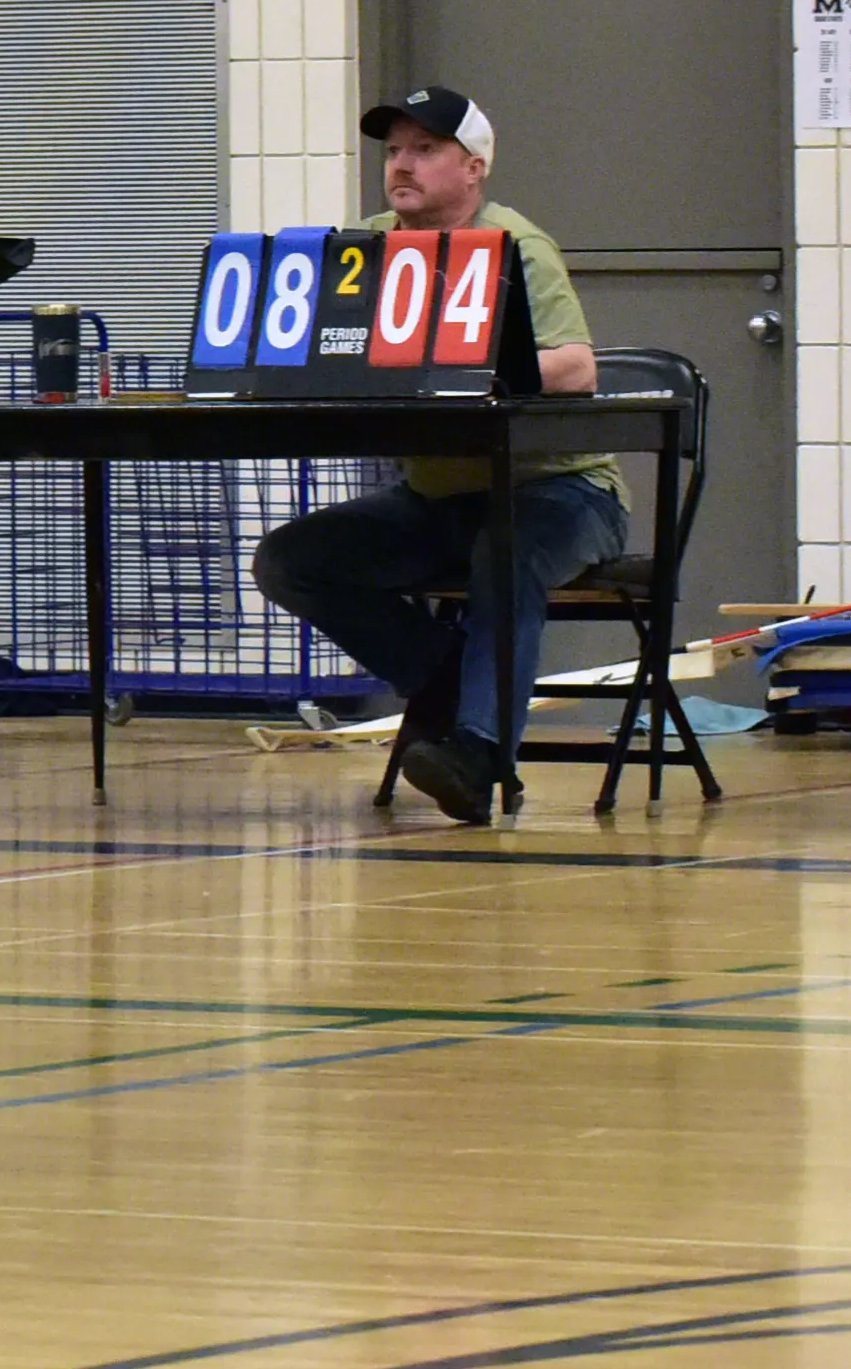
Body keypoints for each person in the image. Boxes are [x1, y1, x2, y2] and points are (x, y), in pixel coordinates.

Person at [249, 88, 623, 826]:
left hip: (561, 492)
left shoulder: (517, 245)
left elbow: (578, 368)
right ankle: (448, 677)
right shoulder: (365, 246)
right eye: (394, 151)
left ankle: (477, 753)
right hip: (439, 498)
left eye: (425, 150)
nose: (402, 165)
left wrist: (464, 370)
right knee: (290, 560)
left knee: (504, 551)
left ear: (474, 168)